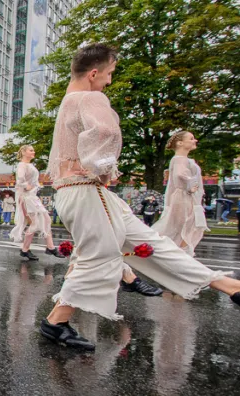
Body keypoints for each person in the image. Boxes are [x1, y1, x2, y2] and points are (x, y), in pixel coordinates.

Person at [41, 43, 240, 350]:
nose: (109, 81)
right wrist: (103, 168)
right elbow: (106, 133)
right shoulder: (90, 97)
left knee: (152, 243)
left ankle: (229, 286)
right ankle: (56, 322)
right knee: (101, 257)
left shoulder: (69, 101)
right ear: (94, 73)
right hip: (85, 192)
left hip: (83, 194)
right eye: (109, 74)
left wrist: (95, 168)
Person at [152, 131, 208, 255]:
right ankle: (180, 254)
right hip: (184, 197)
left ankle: (179, 253)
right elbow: (180, 174)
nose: (195, 141)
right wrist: (190, 185)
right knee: (185, 225)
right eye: (191, 138)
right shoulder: (180, 159)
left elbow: (177, 175)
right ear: (180, 143)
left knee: (182, 226)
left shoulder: (181, 159)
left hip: (184, 197)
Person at [9, 145, 65, 260]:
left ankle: (48, 247)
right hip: (26, 198)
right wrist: (26, 186)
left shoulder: (29, 165)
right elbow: (20, 180)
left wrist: (34, 188)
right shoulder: (22, 165)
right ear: (24, 152)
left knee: (46, 220)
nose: (33, 152)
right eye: (31, 150)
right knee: (34, 224)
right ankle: (28, 249)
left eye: (33, 150)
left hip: (32, 197)